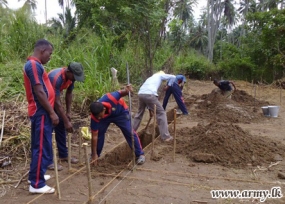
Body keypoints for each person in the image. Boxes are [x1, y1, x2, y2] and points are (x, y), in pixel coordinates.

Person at [23, 39, 59, 194]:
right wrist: (51, 112)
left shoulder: (35, 65)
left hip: (41, 111)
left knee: (40, 145)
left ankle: (36, 175)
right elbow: (39, 91)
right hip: (41, 112)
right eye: (49, 53)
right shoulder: (33, 65)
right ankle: (37, 184)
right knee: (42, 146)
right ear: (43, 50)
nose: (50, 57)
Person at [90, 85, 145, 165]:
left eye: (99, 115)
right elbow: (94, 136)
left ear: (104, 110)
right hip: (105, 118)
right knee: (99, 135)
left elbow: (123, 92)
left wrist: (127, 90)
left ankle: (140, 154)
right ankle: (96, 156)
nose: (98, 118)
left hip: (120, 113)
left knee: (129, 132)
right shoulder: (95, 116)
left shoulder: (112, 97)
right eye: (96, 117)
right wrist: (94, 154)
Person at [47, 62, 85, 170]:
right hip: (45, 102)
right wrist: (67, 121)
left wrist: (68, 112)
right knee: (48, 130)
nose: (75, 79)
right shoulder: (56, 78)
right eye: (74, 76)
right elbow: (56, 102)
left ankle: (63, 155)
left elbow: (69, 93)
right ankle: (49, 161)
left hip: (54, 101)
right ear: (68, 72)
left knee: (61, 126)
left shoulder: (71, 78)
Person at [133, 71, 176, 142]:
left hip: (141, 94)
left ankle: (131, 132)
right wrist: (168, 86)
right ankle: (166, 137)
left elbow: (147, 99)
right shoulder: (160, 75)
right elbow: (173, 77)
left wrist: (150, 110)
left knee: (139, 113)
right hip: (150, 94)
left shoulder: (150, 78)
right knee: (161, 113)